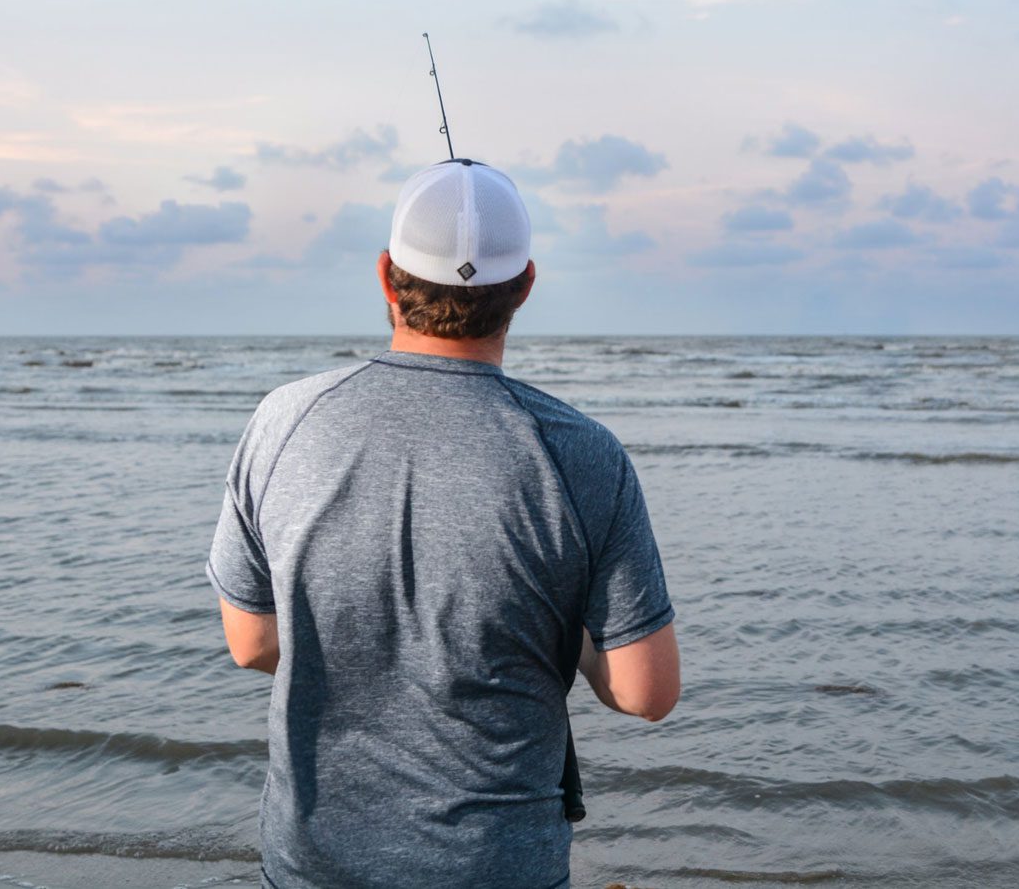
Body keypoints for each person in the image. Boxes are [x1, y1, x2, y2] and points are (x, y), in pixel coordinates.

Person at [206, 158, 680, 889]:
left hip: (314, 863)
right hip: (499, 867)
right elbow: (645, 692)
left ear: (387, 276)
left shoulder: (284, 421)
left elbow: (253, 641)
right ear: (524, 285)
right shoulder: (582, 454)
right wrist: (557, 632)